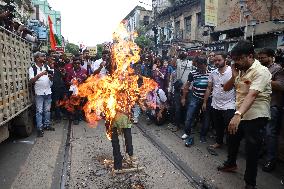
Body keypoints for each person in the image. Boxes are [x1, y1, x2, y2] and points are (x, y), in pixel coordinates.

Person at [218, 40, 271, 189]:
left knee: (251, 150)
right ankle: (231, 164)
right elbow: (226, 89)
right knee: (232, 139)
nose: (237, 62)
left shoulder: (261, 71)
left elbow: (252, 95)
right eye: (235, 59)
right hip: (239, 113)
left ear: (250, 56)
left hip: (255, 115)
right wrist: (234, 75)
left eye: (239, 59)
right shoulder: (240, 70)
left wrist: (237, 115)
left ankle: (250, 183)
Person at [258, 48, 284, 172]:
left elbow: (281, 85)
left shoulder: (277, 69)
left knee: (270, 133)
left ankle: (271, 160)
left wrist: (265, 80)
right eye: (260, 57)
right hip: (261, 104)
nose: (261, 59)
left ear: (271, 57)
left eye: (263, 57)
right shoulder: (260, 68)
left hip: (272, 105)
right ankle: (263, 152)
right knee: (263, 132)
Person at [202, 52, 236, 148]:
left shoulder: (232, 71)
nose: (217, 62)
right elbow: (209, 88)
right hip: (215, 104)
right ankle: (219, 142)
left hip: (229, 105)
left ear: (225, 60)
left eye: (219, 60)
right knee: (218, 125)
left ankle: (232, 146)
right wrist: (205, 102)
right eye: (215, 60)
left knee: (229, 127)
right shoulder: (213, 73)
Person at [181, 56, 211, 146]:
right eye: (197, 67)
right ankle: (187, 132)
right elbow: (187, 85)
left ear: (205, 65)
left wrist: (205, 102)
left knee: (206, 118)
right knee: (189, 115)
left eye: (200, 67)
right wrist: (183, 97)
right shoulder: (193, 73)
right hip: (195, 97)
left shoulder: (212, 72)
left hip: (208, 99)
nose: (199, 69)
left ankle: (203, 135)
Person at [29, 52, 55, 137]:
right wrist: (40, 74)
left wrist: (51, 78)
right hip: (39, 93)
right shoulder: (32, 68)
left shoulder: (46, 67)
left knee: (47, 110)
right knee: (39, 111)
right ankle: (40, 128)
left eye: (44, 56)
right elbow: (31, 81)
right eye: (42, 56)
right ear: (37, 58)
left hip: (48, 92)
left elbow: (51, 80)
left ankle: (47, 125)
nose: (44, 57)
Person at [66, 56, 87, 125]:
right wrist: (72, 82)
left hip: (82, 90)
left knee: (82, 104)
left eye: (78, 63)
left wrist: (85, 78)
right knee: (75, 104)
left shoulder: (84, 70)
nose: (77, 64)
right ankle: (76, 118)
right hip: (73, 91)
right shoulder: (70, 71)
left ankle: (82, 116)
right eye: (75, 63)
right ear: (73, 64)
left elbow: (88, 80)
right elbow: (67, 81)